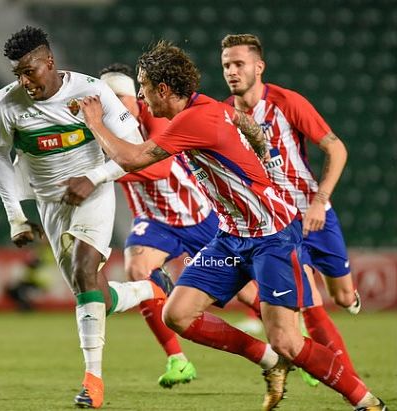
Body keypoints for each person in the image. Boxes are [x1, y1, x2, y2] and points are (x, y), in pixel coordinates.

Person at [79, 41, 386, 411]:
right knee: (177, 314)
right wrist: (264, 155)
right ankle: (270, 360)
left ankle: (366, 401)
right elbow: (246, 123)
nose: (142, 100)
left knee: (288, 338)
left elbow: (131, 159)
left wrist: (95, 123)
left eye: (144, 89)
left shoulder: (192, 120)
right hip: (231, 239)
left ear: (163, 89)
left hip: (271, 237)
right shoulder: (207, 106)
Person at [0, 26, 172, 409]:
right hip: (50, 205)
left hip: (94, 195)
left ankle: (93, 382)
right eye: (17, 74)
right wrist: (16, 216)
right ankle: (150, 289)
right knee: (95, 295)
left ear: (49, 61)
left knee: (86, 270)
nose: (25, 81)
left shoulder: (93, 92)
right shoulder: (7, 104)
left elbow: (136, 150)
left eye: (30, 70)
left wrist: (94, 177)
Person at [221, 33, 365, 387]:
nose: (232, 72)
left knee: (342, 297)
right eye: (226, 65)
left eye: (239, 64)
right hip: (278, 224)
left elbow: (337, 149)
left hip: (316, 213)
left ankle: (347, 300)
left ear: (259, 66)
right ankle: (351, 384)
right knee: (311, 304)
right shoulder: (225, 114)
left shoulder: (287, 102)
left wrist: (319, 201)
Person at [100, 63, 219, 388]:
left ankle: (293, 344)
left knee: (250, 293)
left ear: (133, 99)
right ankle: (178, 360)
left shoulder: (154, 117)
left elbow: (160, 169)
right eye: (107, 98)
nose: (115, 105)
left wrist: (102, 172)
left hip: (198, 216)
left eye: (120, 97)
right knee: (137, 268)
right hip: (154, 221)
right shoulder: (104, 129)